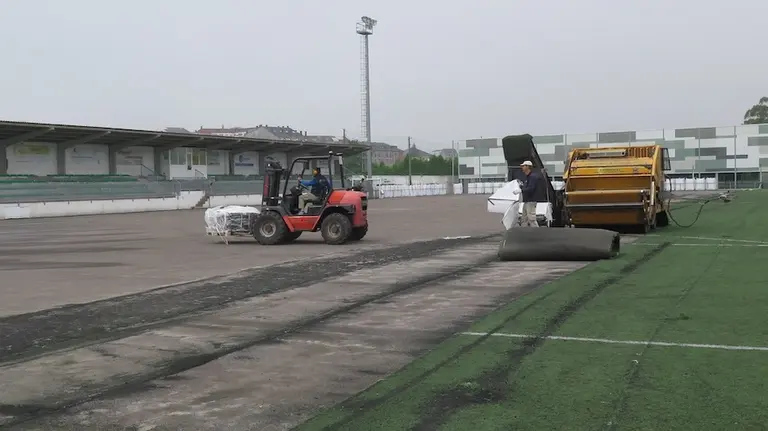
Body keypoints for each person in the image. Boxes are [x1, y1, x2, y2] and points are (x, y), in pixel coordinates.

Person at [519, 160, 546, 227]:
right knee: (524, 218)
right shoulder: (528, 177)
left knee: (531, 218)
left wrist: (521, 190)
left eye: (523, 166)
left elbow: (531, 188)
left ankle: (536, 232)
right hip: (527, 200)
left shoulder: (532, 177)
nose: (522, 167)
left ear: (527, 167)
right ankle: (523, 231)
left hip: (531, 200)